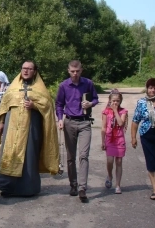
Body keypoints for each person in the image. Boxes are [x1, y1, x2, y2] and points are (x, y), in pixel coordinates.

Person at [0, 60, 59, 198]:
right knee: (9, 153)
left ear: (35, 71)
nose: (26, 71)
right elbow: (4, 105)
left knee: (29, 155)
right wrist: (2, 121)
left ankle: (28, 189)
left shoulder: (40, 89)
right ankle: (8, 187)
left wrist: (35, 106)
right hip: (11, 126)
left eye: (29, 68)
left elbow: (48, 107)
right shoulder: (13, 87)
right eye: (24, 68)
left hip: (31, 125)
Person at [55, 60, 99, 202]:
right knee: (70, 157)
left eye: (78, 71)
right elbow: (59, 104)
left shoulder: (88, 83)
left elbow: (96, 98)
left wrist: (91, 103)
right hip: (69, 122)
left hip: (85, 121)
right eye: (72, 71)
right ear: (68, 71)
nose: (75, 74)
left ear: (81, 70)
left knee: (84, 155)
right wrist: (60, 119)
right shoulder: (63, 86)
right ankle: (73, 184)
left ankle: (82, 188)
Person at [101, 89, 128, 194]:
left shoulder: (123, 111)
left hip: (119, 138)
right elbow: (103, 128)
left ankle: (118, 185)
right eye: (113, 101)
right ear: (109, 101)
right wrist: (103, 141)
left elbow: (121, 123)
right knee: (110, 160)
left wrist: (116, 111)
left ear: (120, 101)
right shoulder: (105, 112)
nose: (115, 103)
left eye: (117, 101)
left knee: (119, 162)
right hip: (109, 138)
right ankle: (110, 175)